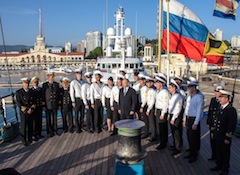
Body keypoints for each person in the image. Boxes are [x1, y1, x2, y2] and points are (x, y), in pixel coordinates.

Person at [210, 90, 237, 175]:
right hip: (218, 134)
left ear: (227, 99)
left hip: (224, 136)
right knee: (218, 151)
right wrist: (213, 131)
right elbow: (216, 120)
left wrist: (228, 137)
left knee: (225, 152)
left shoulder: (231, 110)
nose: (219, 99)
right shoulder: (220, 107)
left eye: (221, 97)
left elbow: (231, 125)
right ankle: (219, 164)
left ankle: (225, 169)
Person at [183, 77, 204, 163]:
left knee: (194, 138)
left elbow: (199, 111)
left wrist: (196, 123)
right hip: (188, 118)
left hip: (194, 119)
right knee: (189, 136)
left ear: (194, 88)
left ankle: (194, 155)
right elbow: (187, 108)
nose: (188, 88)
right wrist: (184, 119)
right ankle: (191, 151)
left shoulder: (199, 97)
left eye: (190, 87)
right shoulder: (189, 96)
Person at [16, 78, 36, 146]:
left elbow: (34, 102)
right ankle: (23, 140)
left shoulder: (31, 92)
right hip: (24, 112)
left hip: (31, 111)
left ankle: (29, 138)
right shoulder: (19, 92)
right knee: (23, 126)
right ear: (22, 84)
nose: (26, 85)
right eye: (25, 83)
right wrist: (26, 110)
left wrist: (31, 109)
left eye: (27, 83)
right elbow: (19, 103)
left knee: (30, 125)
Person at [207, 84, 223, 161]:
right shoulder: (213, 100)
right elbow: (210, 111)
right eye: (215, 91)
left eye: (218, 91)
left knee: (218, 143)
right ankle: (213, 155)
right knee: (212, 140)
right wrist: (208, 122)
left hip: (218, 125)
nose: (216, 93)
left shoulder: (222, 101)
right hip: (212, 123)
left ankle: (218, 158)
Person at [168, 79, 183, 157]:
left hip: (176, 116)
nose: (168, 89)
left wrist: (173, 118)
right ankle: (175, 145)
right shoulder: (172, 96)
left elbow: (177, 109)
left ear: (174, 88)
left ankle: (178, 148)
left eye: (170, 87)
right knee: (173, 132)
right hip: (171, 115)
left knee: (176, 132)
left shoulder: (178, 96)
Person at [42, 72, 60, 137]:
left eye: (52, 77)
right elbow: (43, 96)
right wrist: (44, 105)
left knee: (55, 118)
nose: (52, 78)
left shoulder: (56, 84)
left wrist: (59, 104)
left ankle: (55, 130)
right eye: (50, 77)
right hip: (48, 104)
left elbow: (58, 95)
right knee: (48, 119)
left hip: (55, 104)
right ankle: (50, 131)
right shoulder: (45, 85)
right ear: (48, 77)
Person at [155, 76, 169, 150]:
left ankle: (163, 143)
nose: (156, 84)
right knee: (159, 127)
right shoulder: (158, 91)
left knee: (162, 127)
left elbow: (165, 104)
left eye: (157, 83)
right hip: (158, 110)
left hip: (162, 111)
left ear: (161, 84)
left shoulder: (164, 92)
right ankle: (161, 141)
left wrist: (163, 114)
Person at [70, 68, 85, 133]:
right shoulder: (73, 82)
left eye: (80, 74)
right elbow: (71, 92)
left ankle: (81, 126)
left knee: (82, 114)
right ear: (76, 75)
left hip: (83, 99)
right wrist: (73, 101)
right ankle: (77, 128)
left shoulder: (84, 82)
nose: (80, 75)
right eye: (78, 74)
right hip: (77, 99)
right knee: (76, 114)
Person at [31, 76, 43, 140]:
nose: (36, 83)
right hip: (34, 108)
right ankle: (35, 135)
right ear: (32, 83)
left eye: (36, 82)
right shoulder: (31, 91)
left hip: (39, 107)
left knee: (40, 121)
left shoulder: (40, 89)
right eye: (34, 82)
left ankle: (39, 133)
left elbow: (42, 98)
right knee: (34, 122)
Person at [144, 76, 156, 142]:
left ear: (151, 83)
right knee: (151, 122)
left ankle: (153, 136)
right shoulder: (149, 89)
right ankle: (153, 134)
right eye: (147, 83)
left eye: (148, 83)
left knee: (152, 122)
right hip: (149, 107)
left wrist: (148, 110)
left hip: (151, 108)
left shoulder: (152, 90)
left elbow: (152, 101)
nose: (147, 84)